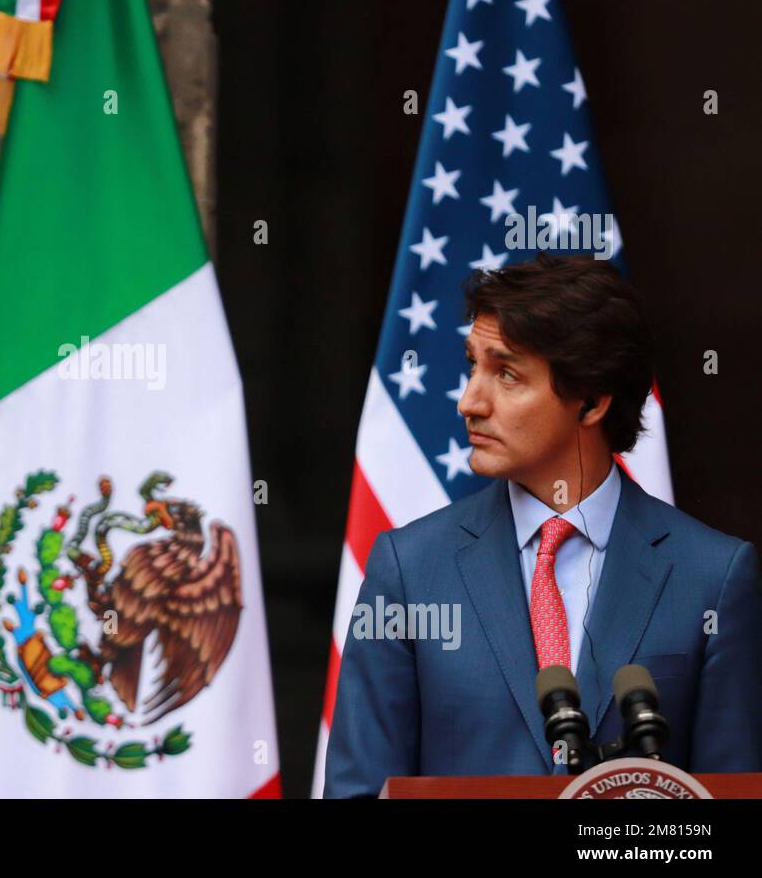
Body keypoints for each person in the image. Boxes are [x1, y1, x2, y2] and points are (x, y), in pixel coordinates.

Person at [323, 253, 761, 798]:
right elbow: (358, 790)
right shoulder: (408, 570)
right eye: (472, 365)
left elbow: (731, 797)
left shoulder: (713, 576)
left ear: (592, 401)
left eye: (506, 374)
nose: (468, 402)